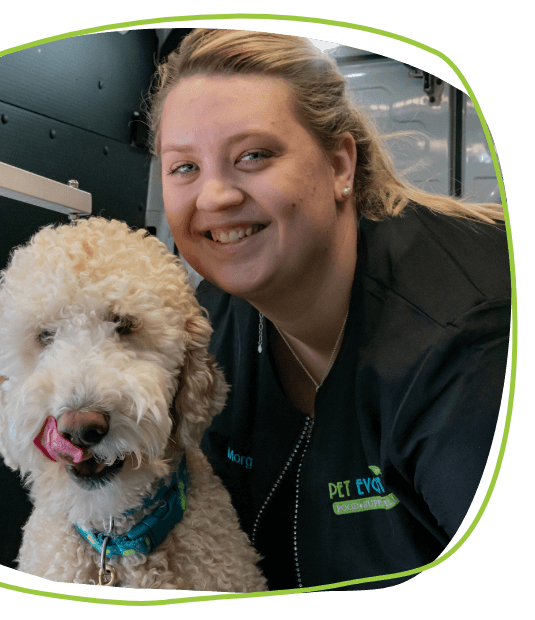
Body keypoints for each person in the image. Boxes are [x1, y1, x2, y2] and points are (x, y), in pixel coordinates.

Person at [145, 29, 510, 590]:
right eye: (184, 167)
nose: (215, 196)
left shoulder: (466, 342)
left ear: (340, 165)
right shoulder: (208, 329)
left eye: (254, 155)